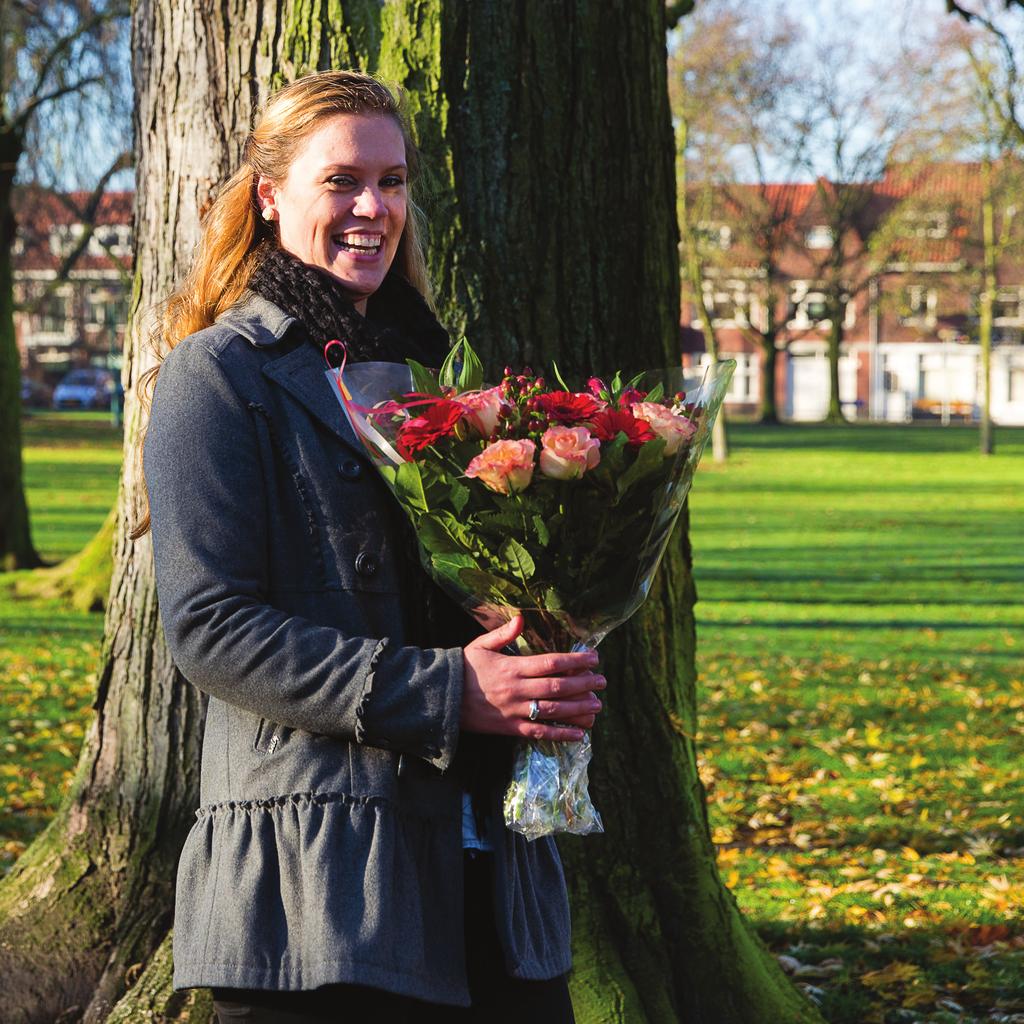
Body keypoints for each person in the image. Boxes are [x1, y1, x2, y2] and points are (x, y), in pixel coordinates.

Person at [139, 71, 606, 1023]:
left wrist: (545, 653)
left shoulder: (447, 378)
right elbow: (210, 627)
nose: (373, 208)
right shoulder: (218, 377)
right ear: (270, 196)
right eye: (342, 180)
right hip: (320, 892)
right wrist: (448, 693)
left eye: (392, 183)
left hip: (497, 873)